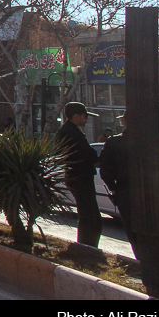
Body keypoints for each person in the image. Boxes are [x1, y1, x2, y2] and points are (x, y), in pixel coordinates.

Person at [55, 102, 102, 248]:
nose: (86, 120)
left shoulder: (70, 131)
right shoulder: (70, 133)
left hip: (78, 175)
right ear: (76, 116)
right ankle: (86, 246)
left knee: (90, 214)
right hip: (79, 176)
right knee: (90, 215)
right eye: (85, 116)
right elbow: (88, 154)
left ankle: (87, 245)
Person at [98, 114, 135, 253]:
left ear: (124, 122)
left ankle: (141, 262)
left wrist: (114, 189)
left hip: (125, 191)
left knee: (132, 231)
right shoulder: (150, 141)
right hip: (150, 193)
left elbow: (105, 171)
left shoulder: (114, 143)